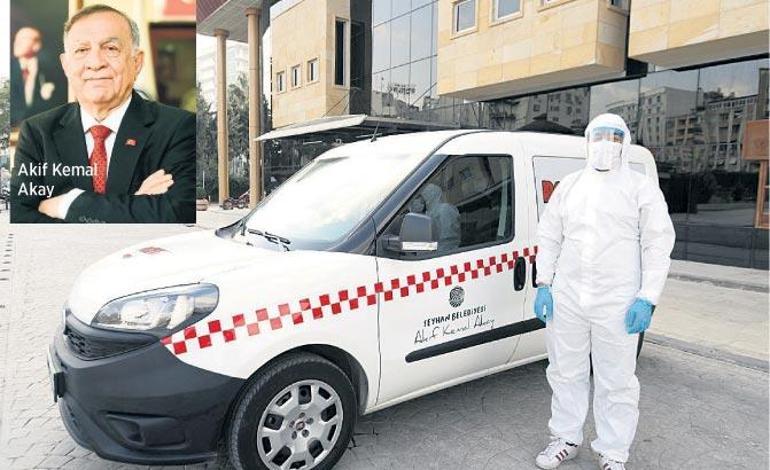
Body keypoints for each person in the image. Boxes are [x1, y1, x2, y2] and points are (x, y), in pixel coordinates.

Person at [533, 113, 675, 470]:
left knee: (616, 380)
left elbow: (658, 244)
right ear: (587, 141)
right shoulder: (570, 186)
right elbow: (549, 236)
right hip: (568, 298)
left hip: (618, 300)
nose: (605, 144)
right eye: (599, 136)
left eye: (614, 137)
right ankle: (564, 438)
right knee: (565, 371)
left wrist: (648, 297)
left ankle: (613, 451)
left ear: (625, 143)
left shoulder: (640, 188)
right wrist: (544, 284)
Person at [10, 4, 195, 223]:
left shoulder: (180, 128)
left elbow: (177, 212)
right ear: (66, 65)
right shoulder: (37, 132)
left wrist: (66, 204)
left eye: (110, 48)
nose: (96, 63)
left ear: (136, 62)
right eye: (81, 50)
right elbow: (20, 217)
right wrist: (134, 203)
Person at [10, 27, 67, 126]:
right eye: (16, 39)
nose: (16, 43)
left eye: (22, 39)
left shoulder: (52, 70)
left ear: (37, 45)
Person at [421, 183, 460, 251]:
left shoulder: (444, 210)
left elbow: (448, 241)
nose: (422, 200)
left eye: (425, 194)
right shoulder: (429, 213)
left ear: (432, 194)